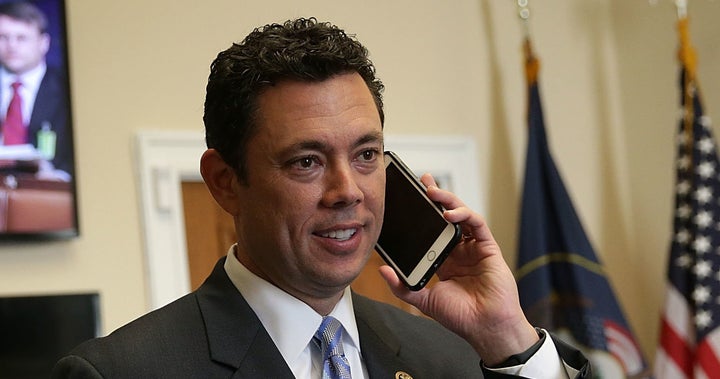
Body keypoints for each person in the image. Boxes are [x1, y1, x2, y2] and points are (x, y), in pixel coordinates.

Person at [52, 18, 591, 378]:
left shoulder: (450, 357)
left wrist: (507, 338)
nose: (348, 192)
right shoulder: (120, 372)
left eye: (366, 154)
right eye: (305, 161)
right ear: (224, 181)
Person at [0, 0, 72, 179]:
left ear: (44, 43)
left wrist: (58, 176)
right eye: (3, 37)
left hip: (49, 191)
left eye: (21, 38)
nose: (12, 46)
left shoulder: (68, 89)